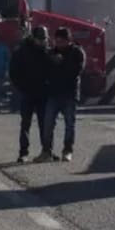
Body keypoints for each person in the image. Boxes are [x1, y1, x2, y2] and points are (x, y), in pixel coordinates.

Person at [37, 27, 85, 162]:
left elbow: (76, 71)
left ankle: (67, 150)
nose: (59, 44)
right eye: (57, 41)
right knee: (48, 124)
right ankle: (46, 151)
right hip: (53, 93)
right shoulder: (51, 53)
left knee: (69, 124)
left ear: (69, 40)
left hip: (69, 94)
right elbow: (45, 71)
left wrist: (61, 63)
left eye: (62, 41)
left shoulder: (77, 52)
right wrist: (52, 62)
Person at [9, 26, 50, 164]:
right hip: (27, 92)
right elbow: (14, 72)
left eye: (44, 39)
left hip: (43, 93)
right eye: (40, 39)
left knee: (44, 124)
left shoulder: (47, 51)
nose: (42, 41)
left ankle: (46, 151)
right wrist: (22, 87)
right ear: (33, 38)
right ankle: (23, 152)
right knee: (25, 124)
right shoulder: (22, 51)